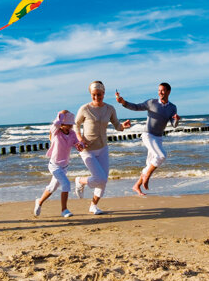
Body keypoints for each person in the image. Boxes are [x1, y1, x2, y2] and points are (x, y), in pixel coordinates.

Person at [74, 81, 131, 214]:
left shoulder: (110, 109)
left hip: (103, 148)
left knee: (103, 181)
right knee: (100, 178)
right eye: (93, 95)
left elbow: (117, 125)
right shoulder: (85, 109)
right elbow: (75, 125)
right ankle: (80, 180)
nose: (96, 97)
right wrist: (80, 139)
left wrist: (123, 126)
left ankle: (93, 206)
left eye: (99, 94)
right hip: (87, 149)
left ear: (103, 93)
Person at [116, 82, 180, 196]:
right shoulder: (152, 102)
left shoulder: (172, 107)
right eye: (159, 90)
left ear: (169, 92)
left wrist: (176, 120)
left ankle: (137, 185)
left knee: (150, 163)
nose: (160, 92)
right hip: (148, 135)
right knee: (161, 156)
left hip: (159, 137)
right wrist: (123, 102)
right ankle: (147, 177)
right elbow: (136, 107)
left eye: (163, 90)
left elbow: (173, 124)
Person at [34, 110, 84, 218]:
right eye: (68, 124)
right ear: (62, 123)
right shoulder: (56, 131)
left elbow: (78, 144)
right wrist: (61, 114)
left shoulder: (72, 134)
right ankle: (64, 209)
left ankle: (39, 202)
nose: (70, 126)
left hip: (64, 167)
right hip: (54, 166)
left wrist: (81, 146)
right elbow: (55, 124)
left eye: (71, 124)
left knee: (52, 187)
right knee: (66, 184)